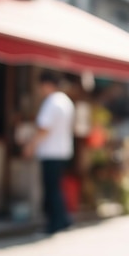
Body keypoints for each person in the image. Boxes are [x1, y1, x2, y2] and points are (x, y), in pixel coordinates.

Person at [23, 70, 75, 234]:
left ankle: (54, 224)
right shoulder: (66, 101)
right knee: (56, 188)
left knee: (51, 189)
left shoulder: (52, 102)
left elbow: (44, 129)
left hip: (51, 151)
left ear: (46, 84)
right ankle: (63, 220)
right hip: (63, 150)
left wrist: (31, 145)